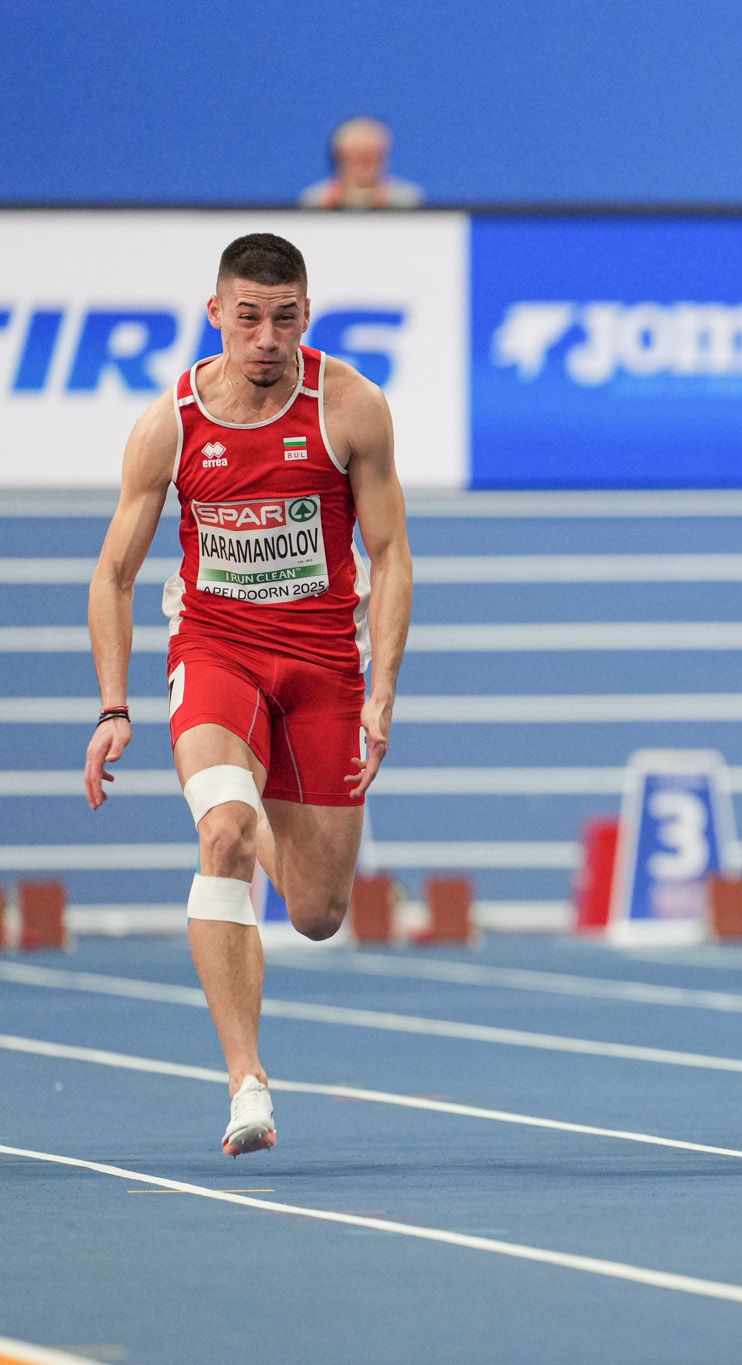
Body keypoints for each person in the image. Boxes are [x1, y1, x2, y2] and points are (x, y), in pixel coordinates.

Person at [84, 233, 414, 1155]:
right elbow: (113, 574)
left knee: (315, 911)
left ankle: (263, 810)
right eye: (248, 317)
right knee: (221, 831)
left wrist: (382, 689)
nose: (266, 337)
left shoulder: (350, 407)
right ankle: (246, 1082)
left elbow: (390, 556)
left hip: (320, 665)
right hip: (217, 650)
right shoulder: (173, 424)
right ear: (215, 315)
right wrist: (114, 707)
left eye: (285, 318)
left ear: (305, 315)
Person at [299, 116, 424, 210]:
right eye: (356, 158)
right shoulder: (315, 202)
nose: (363, 167)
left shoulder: (406, 202)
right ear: (339, 159)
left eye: (371, 158)